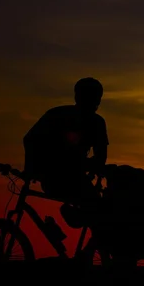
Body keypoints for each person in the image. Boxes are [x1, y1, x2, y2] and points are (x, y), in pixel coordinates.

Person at [23, 77, 108, 205]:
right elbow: (101, 156)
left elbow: (29, 139)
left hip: (53, 180)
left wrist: (30, 169)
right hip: (70, 180)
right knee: (97, 210)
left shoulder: (56, 114)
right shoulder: (96, 122)